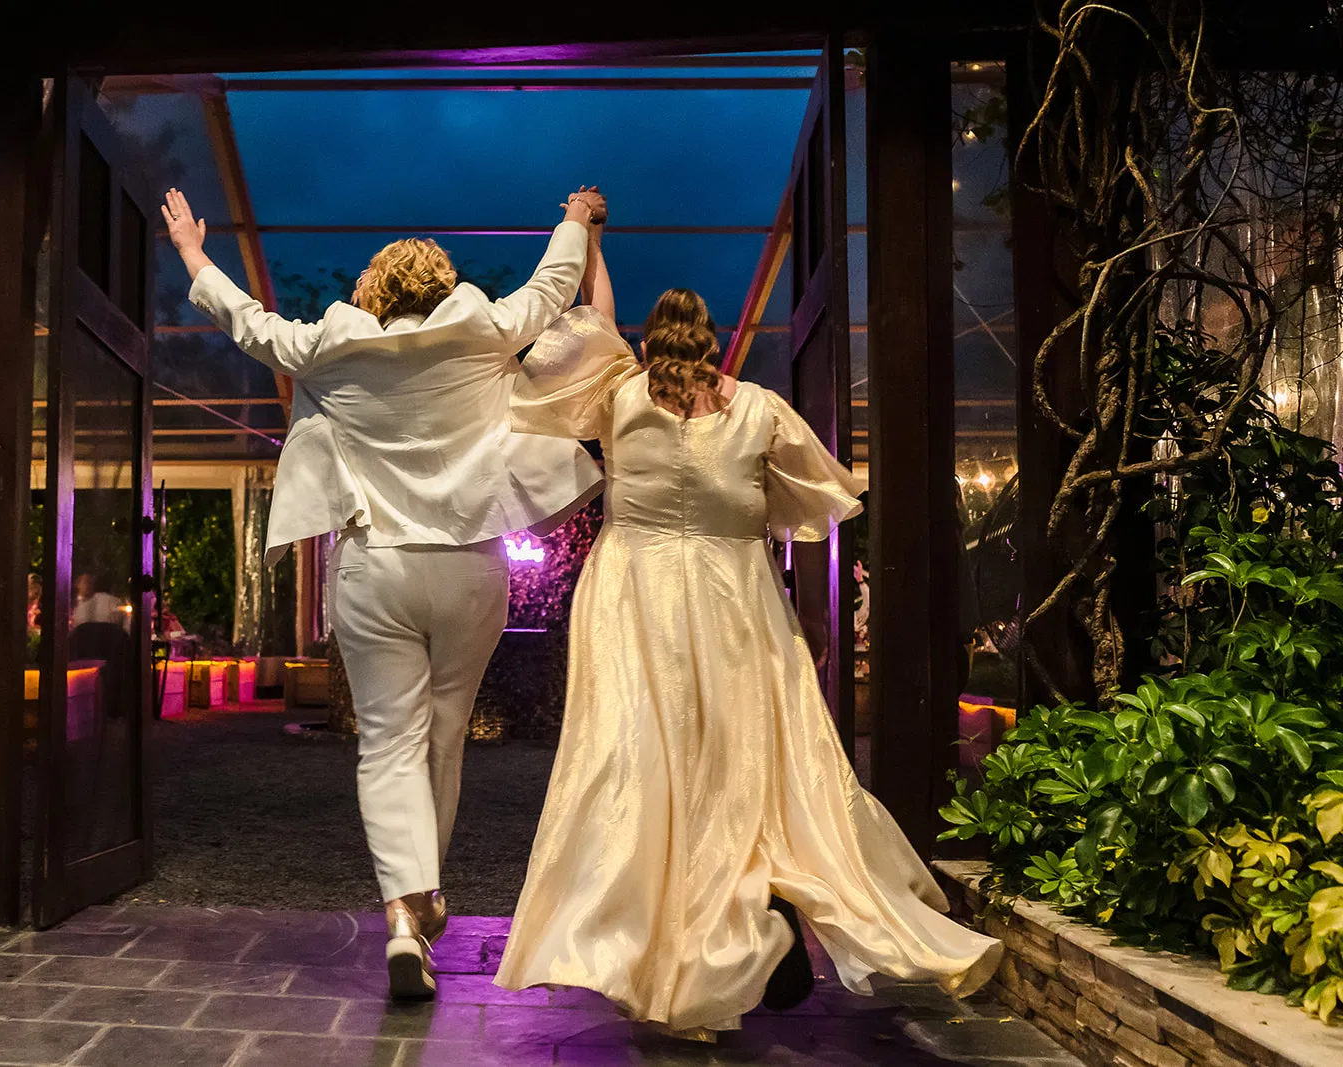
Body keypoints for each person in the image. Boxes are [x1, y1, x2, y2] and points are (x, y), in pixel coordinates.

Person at [493, 224, 1003, 1039]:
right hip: (738, 606)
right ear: (713, 340)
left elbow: (595, 316)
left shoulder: (619, 396)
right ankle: (745, 929)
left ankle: (681, 953)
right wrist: (808, 616)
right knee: (748, 774)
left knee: (643, 772)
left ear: (647, 343)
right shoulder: (759, 410)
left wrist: (588, 233)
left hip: (635, 599)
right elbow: (813, 510)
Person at [162, 185, 606, 998]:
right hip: (471, 564)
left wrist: (194, 250)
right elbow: (552, 287)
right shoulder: (482, 330)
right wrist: (574, 220)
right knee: (444, 729)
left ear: (373, 292)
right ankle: (422, 898)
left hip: (374, 568)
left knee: (387, 741)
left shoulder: (331, 345)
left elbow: (249, 321)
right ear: (442, 286)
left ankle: (406, 913)